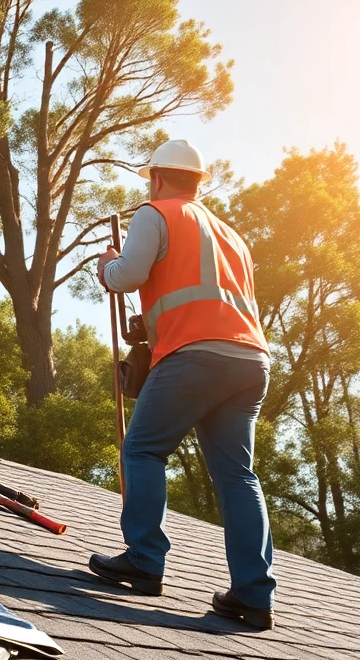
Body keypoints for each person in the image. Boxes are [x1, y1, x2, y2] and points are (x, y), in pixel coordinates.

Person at [88, 140, 277, 630]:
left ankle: (145, 561)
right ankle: (253, 595)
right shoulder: (232, 235)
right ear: (198, 181)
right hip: (250, 360)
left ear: (155, 178)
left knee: (144, 449)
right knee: (239, 477)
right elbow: (204, 295)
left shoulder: (154, 213)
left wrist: (107, 266)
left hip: (195, 356)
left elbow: (127, 275)